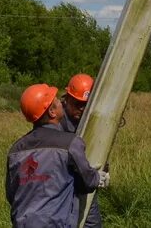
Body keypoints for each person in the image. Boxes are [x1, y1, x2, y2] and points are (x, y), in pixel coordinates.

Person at [6, 83, 108, 228]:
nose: (62, 102)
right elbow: (88, 182)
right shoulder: (70, 143)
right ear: (52, 112)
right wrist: (98, 177)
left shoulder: (15, 150)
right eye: (57, 101)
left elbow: (12, 194)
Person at [57, 74, 102, 228]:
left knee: (92, 224)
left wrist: (102, 171)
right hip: (62, 189)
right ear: (67, 98)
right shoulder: (55, 122)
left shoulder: (90, 119)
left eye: (86, 105)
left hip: (85, 185)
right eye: (77, 104)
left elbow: (97, 145)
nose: (82, 109)